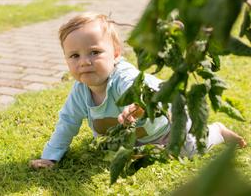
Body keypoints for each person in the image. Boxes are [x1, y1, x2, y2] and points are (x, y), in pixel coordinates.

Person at [30, 12, 247, 169]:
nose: (84, 62)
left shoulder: (123, 77)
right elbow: (67, 123)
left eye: (94, 52)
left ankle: (216, 131)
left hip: (166, 129)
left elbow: (141, 91)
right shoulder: (80, 92)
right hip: (131, 139)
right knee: (118, 153)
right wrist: (50, 157)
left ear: (115, 54)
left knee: (189, 150)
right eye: (74, 56)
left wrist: (139, 105)